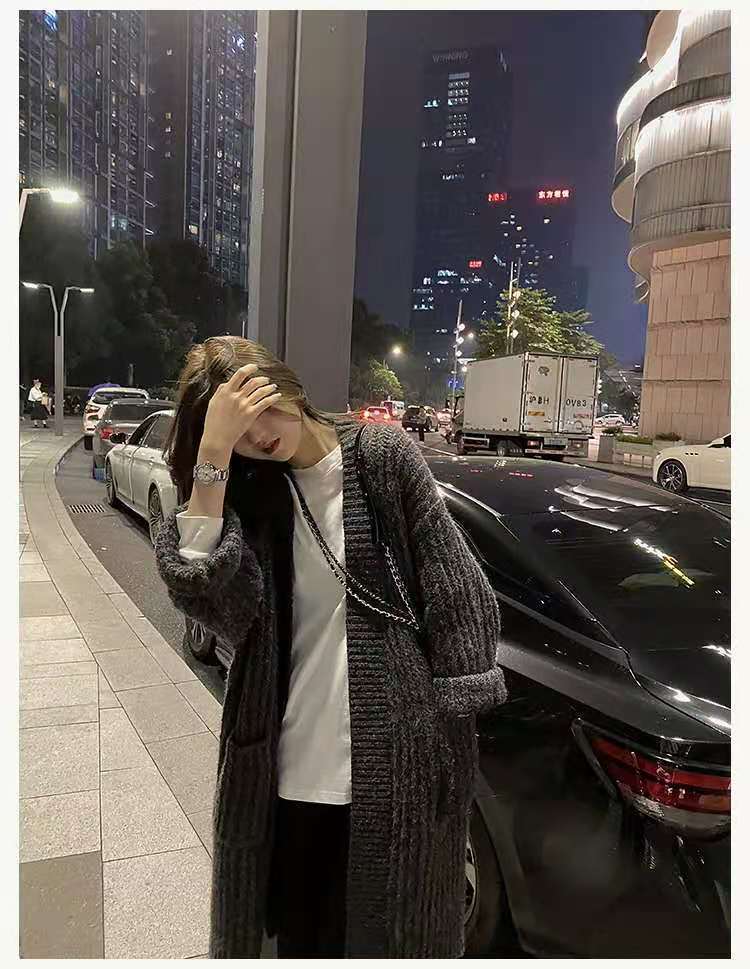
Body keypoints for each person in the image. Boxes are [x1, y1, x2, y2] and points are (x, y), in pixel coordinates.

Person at [154, 336, 505, 959]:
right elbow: (212, 604)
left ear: (286, 384)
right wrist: (212, 455)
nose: (260, 435)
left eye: (263, 408)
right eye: (239, 431)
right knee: (297, 943)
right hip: (284, 770)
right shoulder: (256, 497)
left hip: (394, 769)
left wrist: (451, 738)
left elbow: (457, 588)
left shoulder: (381, 459)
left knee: (391, 939)